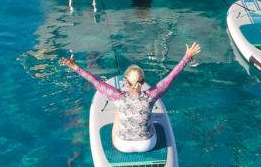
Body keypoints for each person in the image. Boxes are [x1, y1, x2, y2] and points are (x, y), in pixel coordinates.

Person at [60, 43, 201, 152]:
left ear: (126, 82)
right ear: (143, 82)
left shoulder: (117, 96)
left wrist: (74, 66)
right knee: (148, 118)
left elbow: (94, 80)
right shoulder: (152, 95)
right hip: (148, 144)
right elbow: (172, 76)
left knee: (118, 113)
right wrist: (187, 56)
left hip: (122, 145)